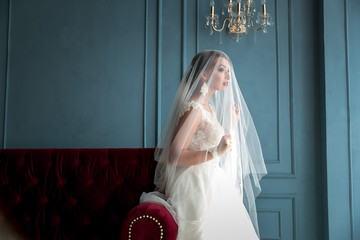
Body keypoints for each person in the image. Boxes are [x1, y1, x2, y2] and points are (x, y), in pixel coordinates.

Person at [141, 50, 267, 239]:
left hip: (211, 177)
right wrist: (214, 152)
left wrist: (232, 123)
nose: (228, 76)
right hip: (194, 182)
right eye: (221, 69)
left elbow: (219, 147)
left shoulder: (208, 108)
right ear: (204, 74)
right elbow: (175, 155)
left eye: (228, 71)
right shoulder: (194, 109)